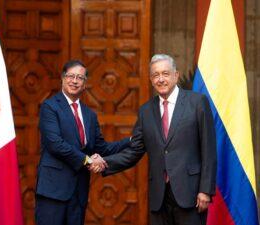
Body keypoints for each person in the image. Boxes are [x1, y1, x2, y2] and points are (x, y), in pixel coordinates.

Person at [101, 54, 217, 225]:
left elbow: (209, 149)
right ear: (150, 79)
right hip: (159, 196)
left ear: (176, 75)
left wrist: (205, 190)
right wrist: (104, 162)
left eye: (165, 73)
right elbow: (134, 150)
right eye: (156, 75)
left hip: (191, 194)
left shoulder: (197, 103)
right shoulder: (146, 111)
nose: (160, 79)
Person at [35, 60, 130, 225]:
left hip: (78, 192)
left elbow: (103, 148)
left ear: (84, 84)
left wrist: (130, 140)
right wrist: (87, 160)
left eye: (80, 78)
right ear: (63, 79)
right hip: (53, 191)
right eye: (70, 76)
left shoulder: (89, 115)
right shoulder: (49, 107)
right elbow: (55, 144)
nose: (74, 81)